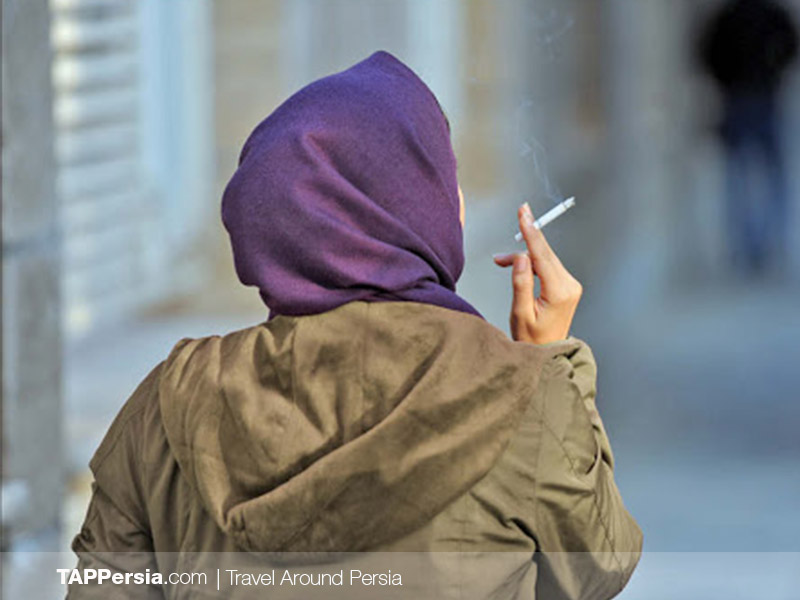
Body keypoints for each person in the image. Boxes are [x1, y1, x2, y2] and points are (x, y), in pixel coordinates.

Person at [68, 51, 642, 599]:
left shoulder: (169, 404)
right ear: (407, 208)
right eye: (441, 177)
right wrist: (552, 362)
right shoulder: (519, 393)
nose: (459, 201)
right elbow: (595, 570)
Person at [698, 0, 798, 273]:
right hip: (744, 99)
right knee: (748, 177)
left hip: (757, 98)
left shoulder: (749, 15)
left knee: (751, 177)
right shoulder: (736, 16)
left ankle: (760, 243)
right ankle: (755, 245)